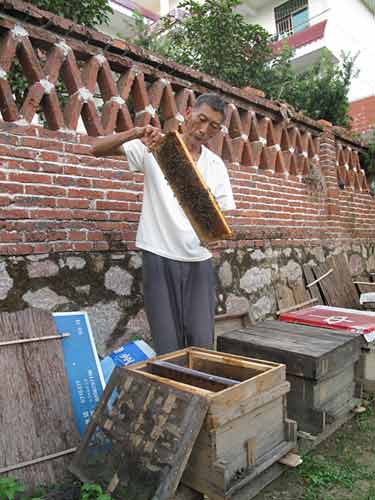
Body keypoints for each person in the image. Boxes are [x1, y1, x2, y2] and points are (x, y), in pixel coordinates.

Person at [92, 93, 235, 354]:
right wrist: (135, 133)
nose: (204, 130)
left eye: (213, 126)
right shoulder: (156, 146)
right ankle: (174, 389)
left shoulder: (216, 166)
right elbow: (95, 148)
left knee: (201, 340)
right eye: (201, 119)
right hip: (158, 254)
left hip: (198, 260)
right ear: (189, 113)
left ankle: (199, 391)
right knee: (167, 343)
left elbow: (223, 217)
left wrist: (217, 236)